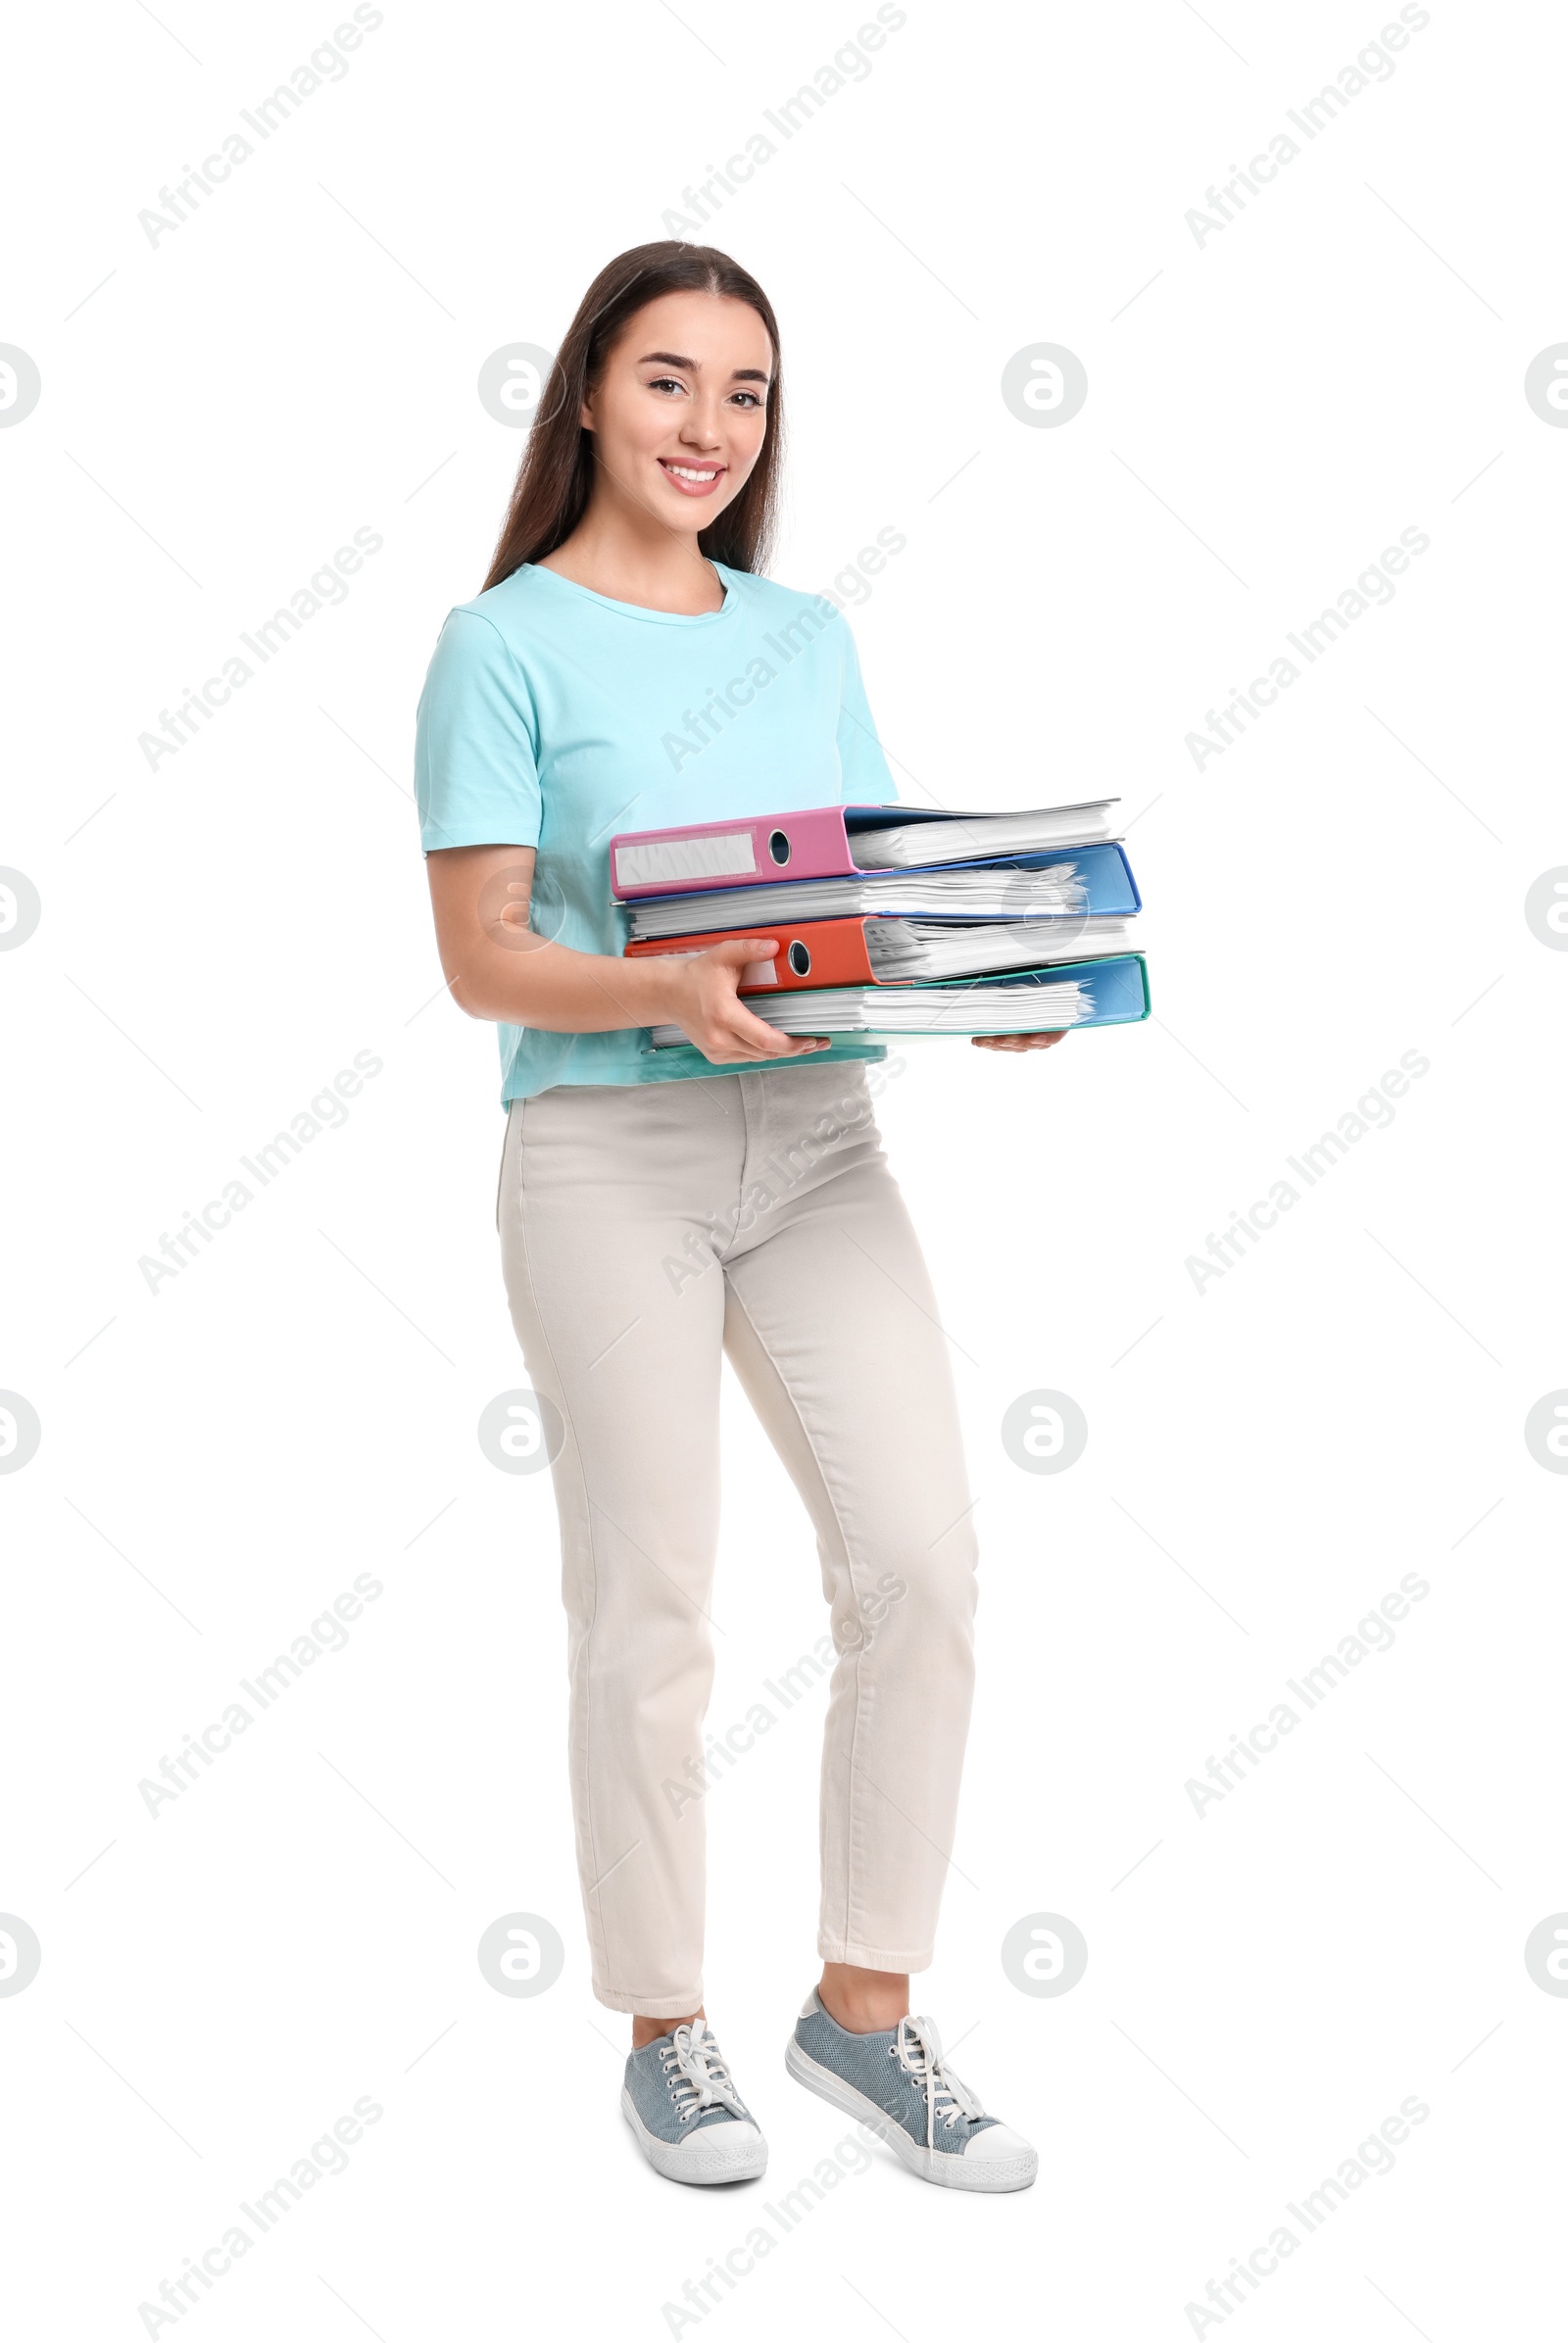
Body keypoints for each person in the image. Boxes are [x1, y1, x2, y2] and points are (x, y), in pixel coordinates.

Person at [415, 241, 1059, 2192]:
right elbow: (482, 958)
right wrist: (663, 989)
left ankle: (859, 2017)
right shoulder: (497, 642)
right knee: (653, 1608)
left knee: (922, 1565)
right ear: (589, 398)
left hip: (818, 1142)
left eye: (747, 392)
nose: (709, 426)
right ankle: (666, 2029)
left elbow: (860, 890)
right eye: (672, 381)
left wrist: (984, 978)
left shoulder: (802, 634)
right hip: (605, 1156)